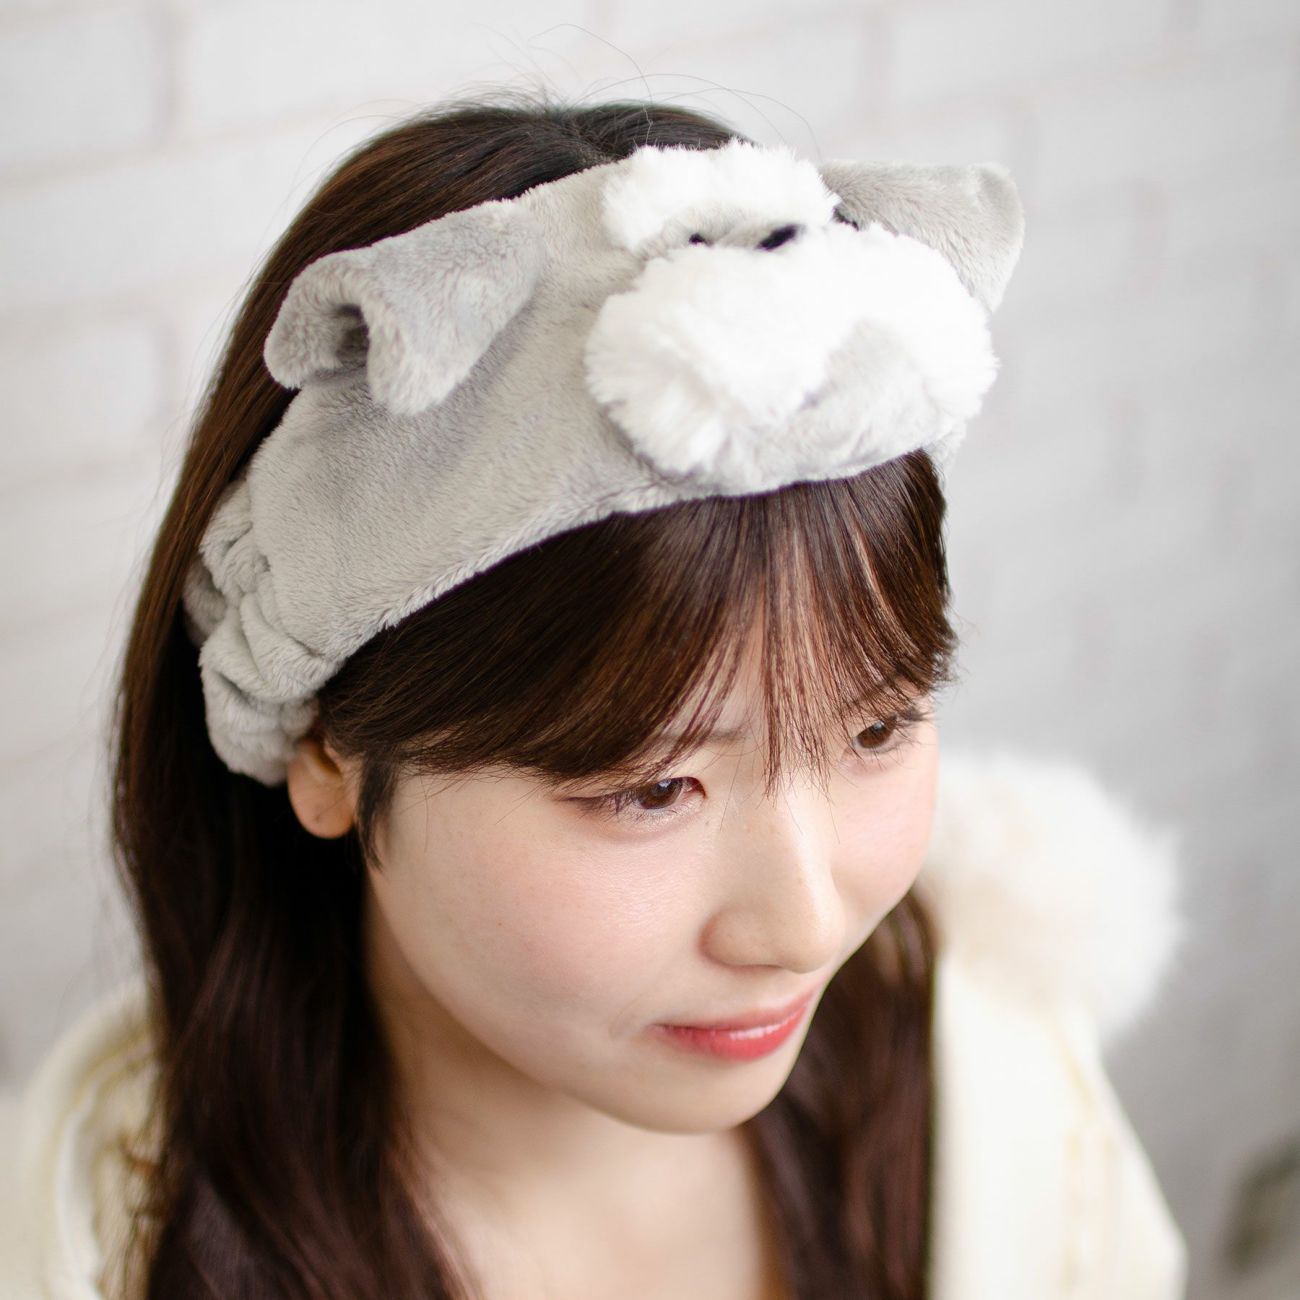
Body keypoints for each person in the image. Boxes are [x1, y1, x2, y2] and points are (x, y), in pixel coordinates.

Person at [2, 91, 1189, 1299]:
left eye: (876, 727)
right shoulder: (94, 1246)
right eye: (651, 788)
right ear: (322, 743)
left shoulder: (1007, 1115)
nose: (803, 926)